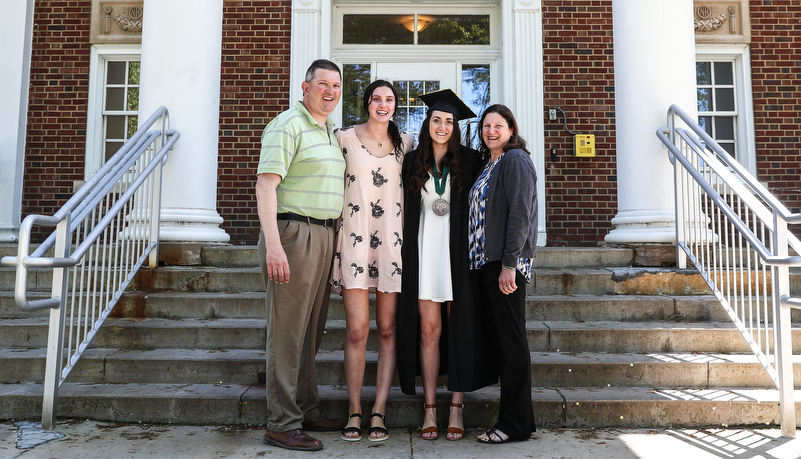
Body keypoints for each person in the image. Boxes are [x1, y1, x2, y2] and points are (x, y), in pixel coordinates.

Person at [255, 59, 347, 452]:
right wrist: (274, 245)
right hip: (293, 234)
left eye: (337, 85)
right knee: (288, 332)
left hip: (324, 234)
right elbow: (265, 187)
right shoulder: (288, 124)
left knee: (310, 331)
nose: (330, 91)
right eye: (323, 83)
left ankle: (307, 409)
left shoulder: (326, 130)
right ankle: (282, 422)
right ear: (305, 86)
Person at [397, 89, 498, 441]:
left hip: (459, 258)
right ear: (428, 124)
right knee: (428, 331)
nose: (442, 126)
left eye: (449, 122)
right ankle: (429, 408)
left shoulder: (470, 162)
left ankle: (456, 405)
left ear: (456, 127)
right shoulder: (412, 162)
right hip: (424, 256)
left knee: (460, 329)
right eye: (437, 120)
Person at [330, 79, 414, 443]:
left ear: (396, 105)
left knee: (388, 329)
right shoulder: (343, 138)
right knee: (357, 330)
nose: (383, 104)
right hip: (354, 241)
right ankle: (354, 409)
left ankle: (378, 409)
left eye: (389, 99)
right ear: (366, 103)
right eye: (377, 98)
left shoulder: (407, 144)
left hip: (392, 246)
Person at [468, 104, 538, 444]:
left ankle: (513, 425)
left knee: (512, 344)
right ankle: (520, 420)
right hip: (488, 263)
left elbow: (520, 215)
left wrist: (509, 264)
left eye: (498, 125)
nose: (491, 131)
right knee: (504, 343)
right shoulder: (490, 163)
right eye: (486, 126)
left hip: (505, 266)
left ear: (511, 129)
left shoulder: (515, 160)